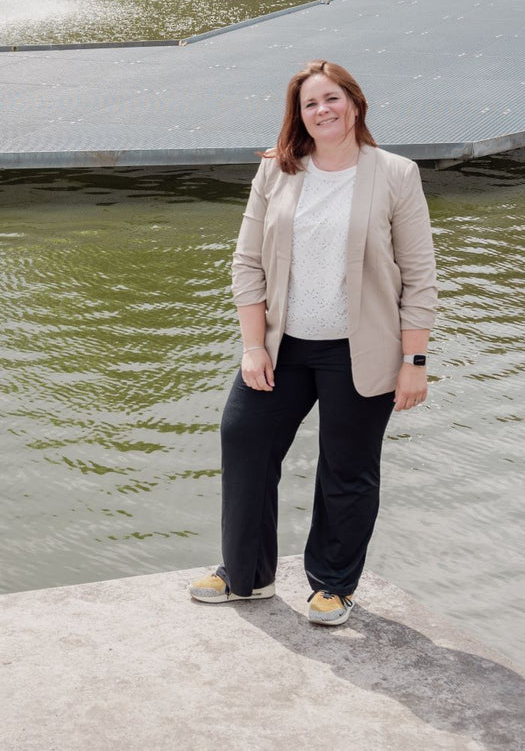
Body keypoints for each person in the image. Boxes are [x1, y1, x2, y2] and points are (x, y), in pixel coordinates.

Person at [188, 59, 437, 627]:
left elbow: (419, 276)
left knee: (347, 468)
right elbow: (247, 263)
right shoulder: (276, 170)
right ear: (298, 115)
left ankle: (332, 585)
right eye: (310, 104)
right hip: (285, 346)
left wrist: (414, 361)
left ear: (355, 103)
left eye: (332, 99)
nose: (323, 111)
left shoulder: (396, 174)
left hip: (360, 347)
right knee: (244, 438)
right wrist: (253, 346)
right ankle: (247, 575)